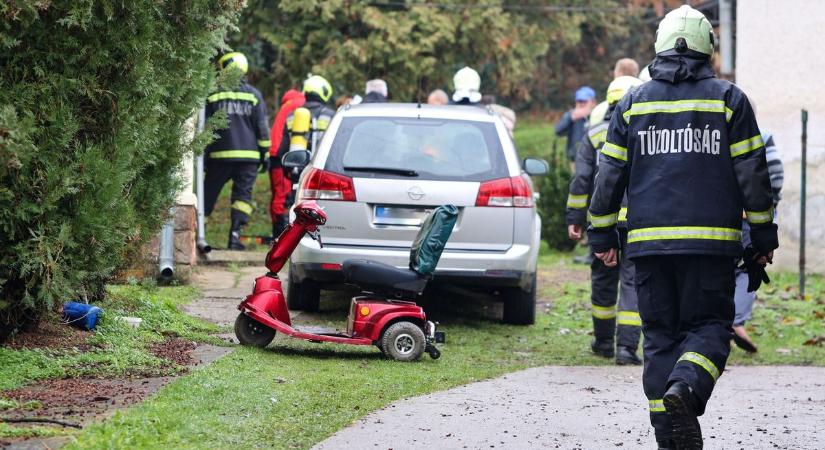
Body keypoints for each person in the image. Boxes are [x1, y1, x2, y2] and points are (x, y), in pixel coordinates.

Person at [586, 6, 778, 449]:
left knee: (659, 341)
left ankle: (670, 440)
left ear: (660, 46)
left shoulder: (633, 102)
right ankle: (687, 389)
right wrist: (764, 238)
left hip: (649, 250)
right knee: (711, 327)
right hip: (711, 249)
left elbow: (608, 176)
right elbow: (753, 173)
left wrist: (601, 235)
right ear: (707, 48)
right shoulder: (729, 99)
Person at [567, 76, 644, 366]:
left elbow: (582, 180)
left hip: (603, 221)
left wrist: (574, 217)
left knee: (602, 279)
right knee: (633, 282)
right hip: (638, 222)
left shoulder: (594, 133)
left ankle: (602, 341)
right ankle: (626, 348)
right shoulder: (645, 131)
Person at [203, 52, 269, 250]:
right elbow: (262, 127)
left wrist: (203, 155)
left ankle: (199, 237)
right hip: (248, 158)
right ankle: (234, 238)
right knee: (242, 197)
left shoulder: (213, 93)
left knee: (208, 195)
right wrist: (265, 154)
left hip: (218, 157)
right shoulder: (254, 95)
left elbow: (205, 127)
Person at [732, 130, 784, 352]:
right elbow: (776, 175)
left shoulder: (716, 134)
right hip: (749, 217)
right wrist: (771, 205)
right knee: (748, 268)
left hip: (719, 216)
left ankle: (720, 326)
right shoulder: (762, 137)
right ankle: (735, 322)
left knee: (724, 269)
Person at [271, 74, 336, 228]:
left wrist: (287, 168)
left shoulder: (293, 115)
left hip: (298, 171)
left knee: (296, 206)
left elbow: (283, 149)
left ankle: (288, 237)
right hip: (322, 173)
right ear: (324, 93)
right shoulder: (331, 115)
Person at [268, 89, 305, 238]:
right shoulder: (299, 103)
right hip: (283, 156)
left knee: (278, 195)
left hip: (275, 154)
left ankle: (277, 232)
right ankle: (280, 235)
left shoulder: (287, 104)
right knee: (282, 197)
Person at [555, 86, 596, 163]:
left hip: (594, 159)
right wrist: (570, 118)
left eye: (584, 101)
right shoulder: (570, 115)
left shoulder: (598, 115)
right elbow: (558, 131)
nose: (581, 104)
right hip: (575, 159)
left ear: (593, 102)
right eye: (579, 101)